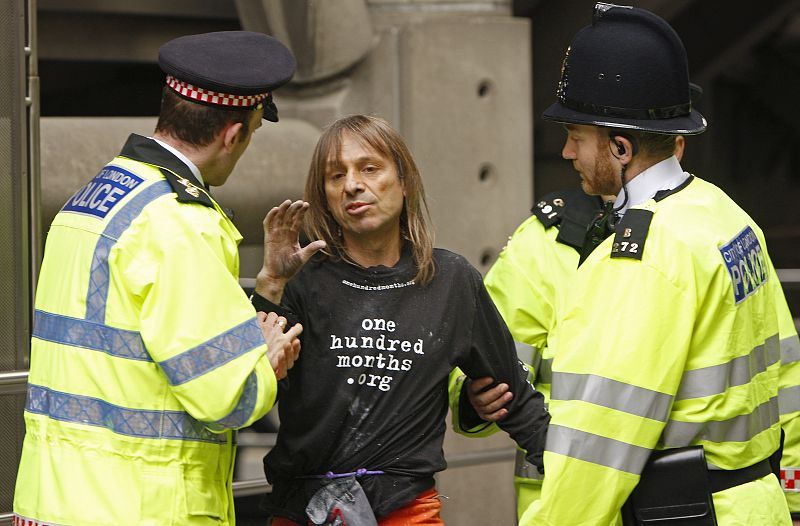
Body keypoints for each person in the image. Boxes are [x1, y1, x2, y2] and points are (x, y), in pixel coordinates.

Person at [514, 4, 797, 525]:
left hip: (686, 514)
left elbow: (598, 446)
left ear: (621, 147)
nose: (566, 152)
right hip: (755, 506)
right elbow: (785, 369)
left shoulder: (642, 258)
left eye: (577, 136)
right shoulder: (725, 215)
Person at [13, 31, 303, 526]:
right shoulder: (182, 224)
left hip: (50, 503)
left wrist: (267, 288)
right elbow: (227, 398)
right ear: (232, 134)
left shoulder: (89, 200)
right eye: (252, 132)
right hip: (141, 509)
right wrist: (264, 361)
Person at [249, 114, 550, 524]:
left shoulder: (452, 280)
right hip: (304, 510)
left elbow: (515, 399)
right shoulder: (300, 282)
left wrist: (582, 486)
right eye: (336, 175)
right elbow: (249, 390)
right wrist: (270, 286)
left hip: (407, 510)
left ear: (404, 182)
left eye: (369, 168)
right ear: (325, 196)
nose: (352, 184)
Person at [448, 139, 686, 520]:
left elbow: (775, 376)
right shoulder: (541, 240)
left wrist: (788, 490)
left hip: (672, 497)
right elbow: (487, 354)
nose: (566, 152)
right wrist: (475, 398)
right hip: (558, 498)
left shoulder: (693, 231)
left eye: (578, 138)